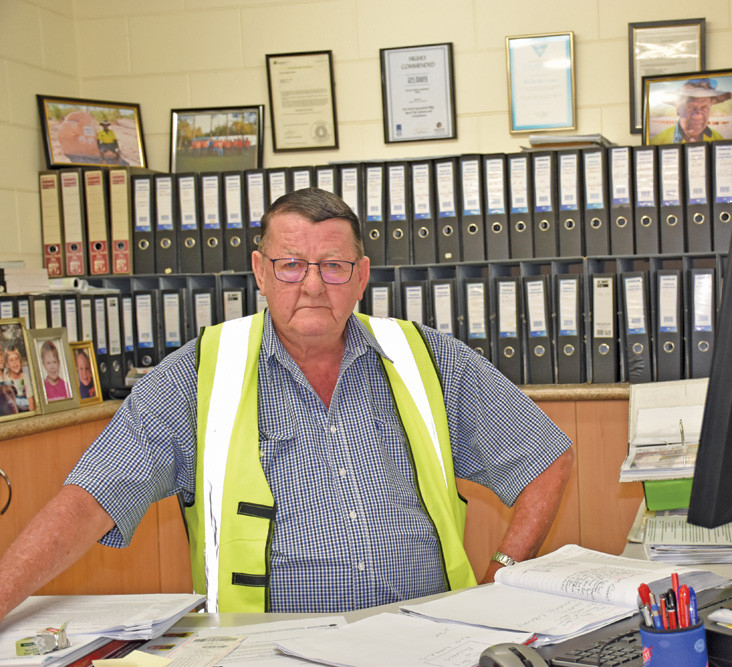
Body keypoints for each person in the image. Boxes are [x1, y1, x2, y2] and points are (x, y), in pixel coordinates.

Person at [0, 188, 573, 619]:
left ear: (362, 275)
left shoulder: (428, 357)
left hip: (425, 639)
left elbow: (545, 456)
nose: (314, 285)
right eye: (292, 264)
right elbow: (88, 500)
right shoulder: (199, 374)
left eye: (334, 265)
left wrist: (504, 576)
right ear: (260, 272)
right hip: (269, 649)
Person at [650, 78, 731, 144]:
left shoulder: (718, 139)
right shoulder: (658, 142)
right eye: (690, 107)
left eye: (704, 108)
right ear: (678, 109)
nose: (698, 115)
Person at [3, 344, 35, 413]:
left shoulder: (25, 377)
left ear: (20, 361)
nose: (15, 362)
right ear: (7, 365)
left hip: (26, 410)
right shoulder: (5, 379)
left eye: (16, 359)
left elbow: (30, 400)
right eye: (11, 360)